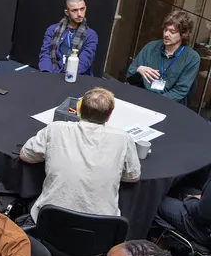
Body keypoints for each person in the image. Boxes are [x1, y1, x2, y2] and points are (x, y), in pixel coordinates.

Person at [20, 87, 141, 223]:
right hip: (101, 226)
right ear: (109, 116)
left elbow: (26, 155)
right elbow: (132, 177)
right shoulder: (123, 138)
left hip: (50, 221)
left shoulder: (56, 129)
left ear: (79, 110)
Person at [126, 10, 200, 103]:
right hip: (142, 98)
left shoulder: (192, 58)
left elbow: (180, 92)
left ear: (183, 34)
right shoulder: (151, 47)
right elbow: (130, 76)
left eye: (172, 32)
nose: (166, 34)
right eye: (165, 30)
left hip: (168, 105)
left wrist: (155, 102)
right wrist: (139, 70)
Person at [38, 0, 99, 76]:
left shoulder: (91, 35)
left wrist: (66, 76)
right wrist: (47, 73)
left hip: (77, 76)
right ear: (67, 12)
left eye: (82, 9)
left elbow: (84, 62)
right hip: (52, 72)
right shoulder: (53, 30)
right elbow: (45, 53)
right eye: (74, 10)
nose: (79, 14)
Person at [156, 176, 211, 249]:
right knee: (179, 190)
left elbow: (201, 214)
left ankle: (158, 245)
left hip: (201, 228)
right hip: (205, 216)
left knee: (155, 200)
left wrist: (191, 200)